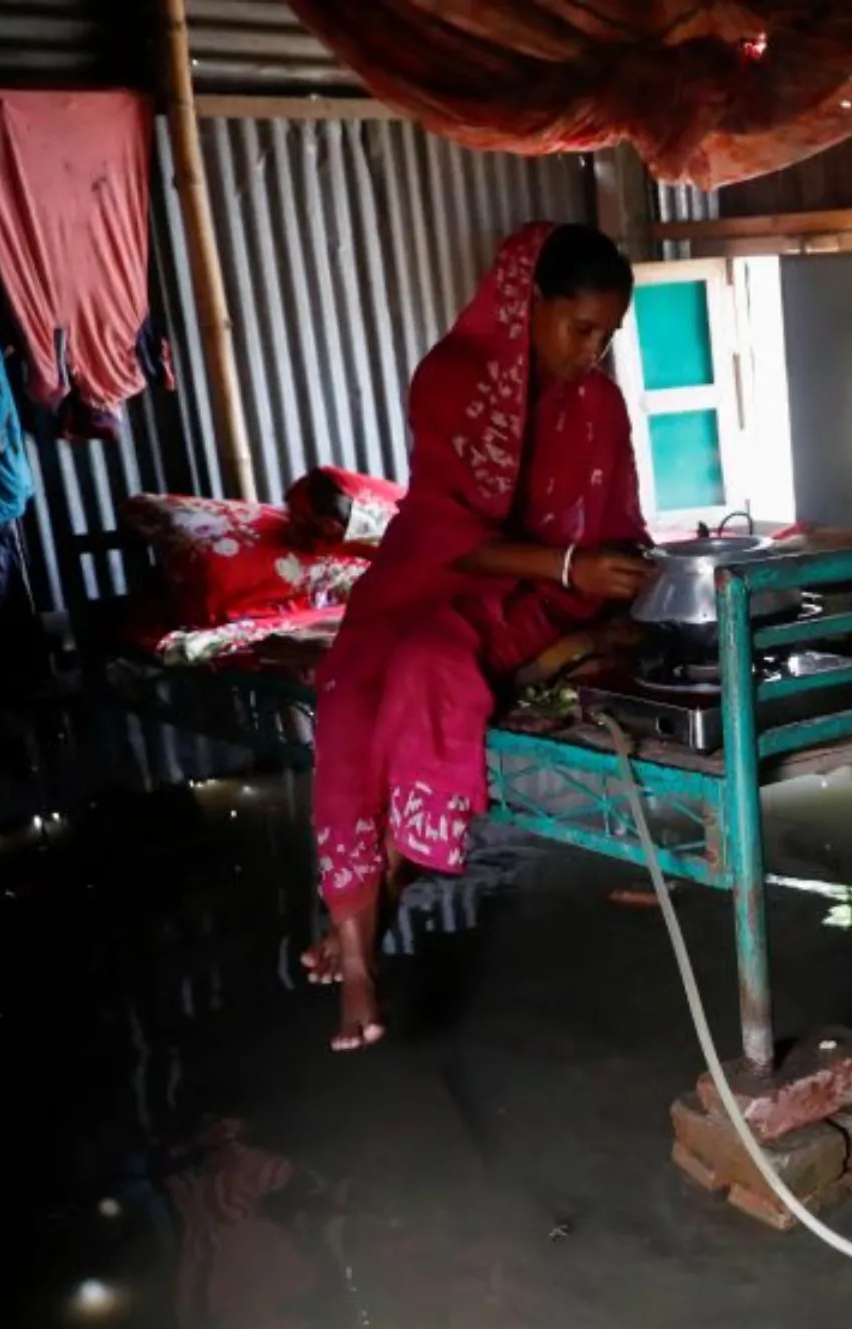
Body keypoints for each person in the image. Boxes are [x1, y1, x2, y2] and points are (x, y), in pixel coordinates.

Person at [302, 222, 653, 1049]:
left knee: (430, 668)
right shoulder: (453, 379)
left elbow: (619, 520)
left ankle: (359, 934)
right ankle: (357, 951)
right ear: (529, 303)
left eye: (610, 335)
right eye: (582, 329)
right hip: (438, 568)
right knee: (350, 692)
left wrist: (603, 572)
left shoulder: (596, 401)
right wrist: (568, 564)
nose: (594, 353)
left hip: (537, 592)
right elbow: (446, 531)